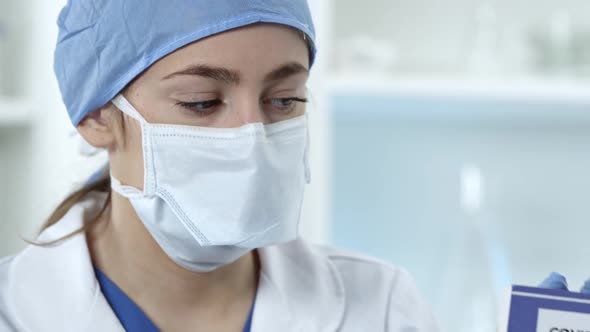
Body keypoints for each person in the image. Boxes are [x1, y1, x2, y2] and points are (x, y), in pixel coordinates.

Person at [0, 1, 438, 331]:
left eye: (285, 100)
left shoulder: (381, 307)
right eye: (202, 103)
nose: (254, 136)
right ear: (96, 118)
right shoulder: (15, 312)